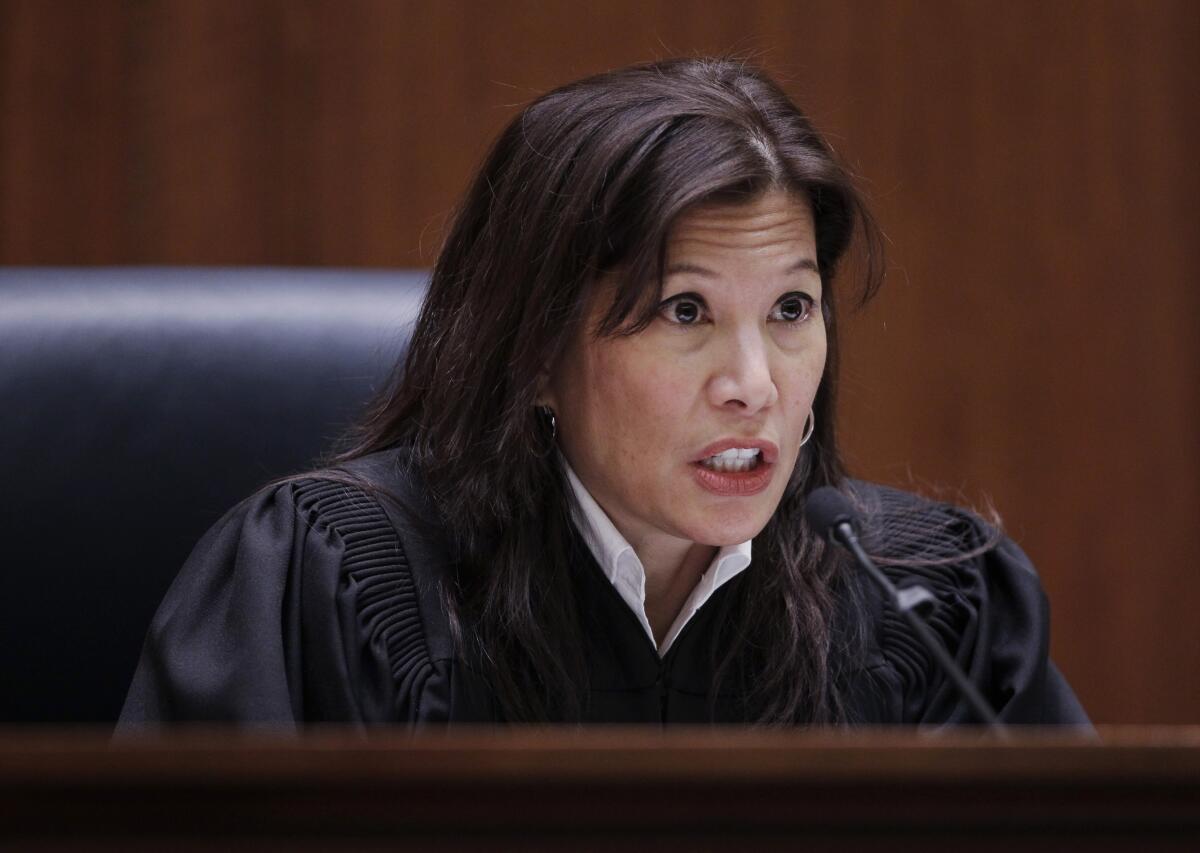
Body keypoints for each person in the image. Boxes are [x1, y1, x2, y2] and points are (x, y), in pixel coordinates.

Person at [119, 58, 1089, 727]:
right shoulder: (331, 588)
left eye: (792, 307)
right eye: (683, 313)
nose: (755, 385)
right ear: (535, 349)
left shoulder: (933, 609)